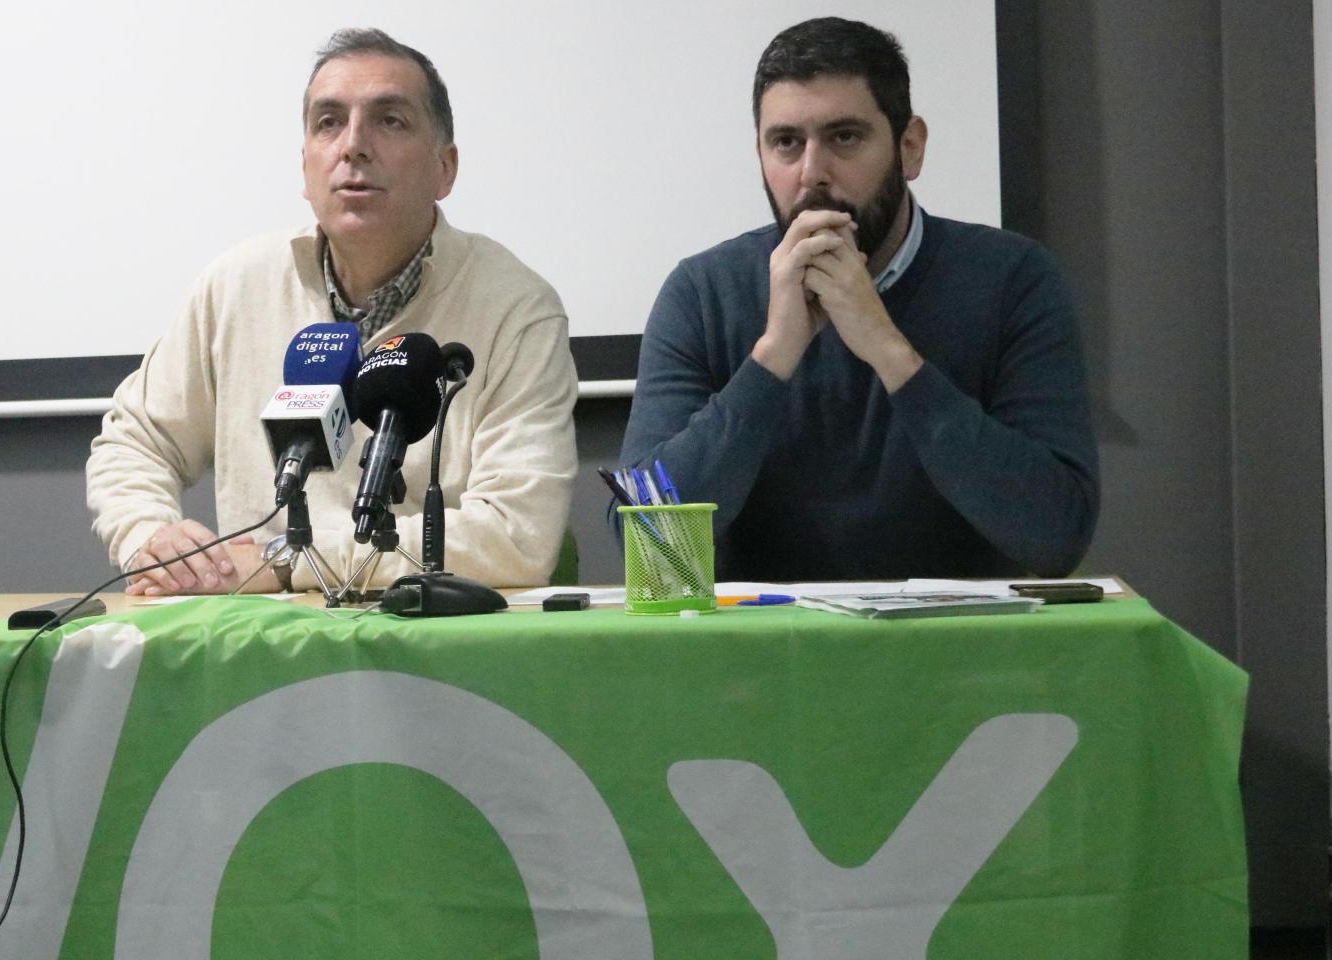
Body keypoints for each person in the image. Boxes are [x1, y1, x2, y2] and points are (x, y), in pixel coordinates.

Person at [88, 28, 577, 596]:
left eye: (390, 120)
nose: (353, 146)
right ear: (305, 168)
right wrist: (151, 538)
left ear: (445, 169)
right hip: (263, 636)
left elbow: (516, 536)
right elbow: (134, 443)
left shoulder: (516, 308)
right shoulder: (235, 287)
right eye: (329, 122)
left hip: (430, 634)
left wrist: (284, 561)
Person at [617, 17, 1098, 581]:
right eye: (786, 143)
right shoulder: (701, 294)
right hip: (764, 634)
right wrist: (771, 358)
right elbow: (651, 552)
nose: (812, 174)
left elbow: (1056, 536)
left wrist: (890, 352)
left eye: (844, 137)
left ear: (909, 147)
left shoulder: (1014, 279)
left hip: (963, 634)